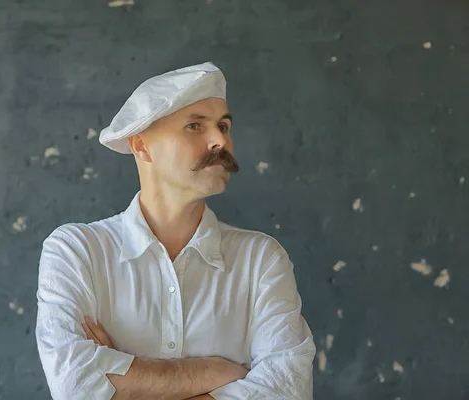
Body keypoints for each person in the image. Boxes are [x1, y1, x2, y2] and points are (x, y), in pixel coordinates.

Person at [35, 61, 316, 400]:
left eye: (223, 126)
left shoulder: (261, 259)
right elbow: (75, 385)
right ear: (141, 146)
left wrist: (125, 383)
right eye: (195, 126)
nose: (219, 141)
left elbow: (288, 392)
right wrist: (220, 373)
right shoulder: (77, 251)